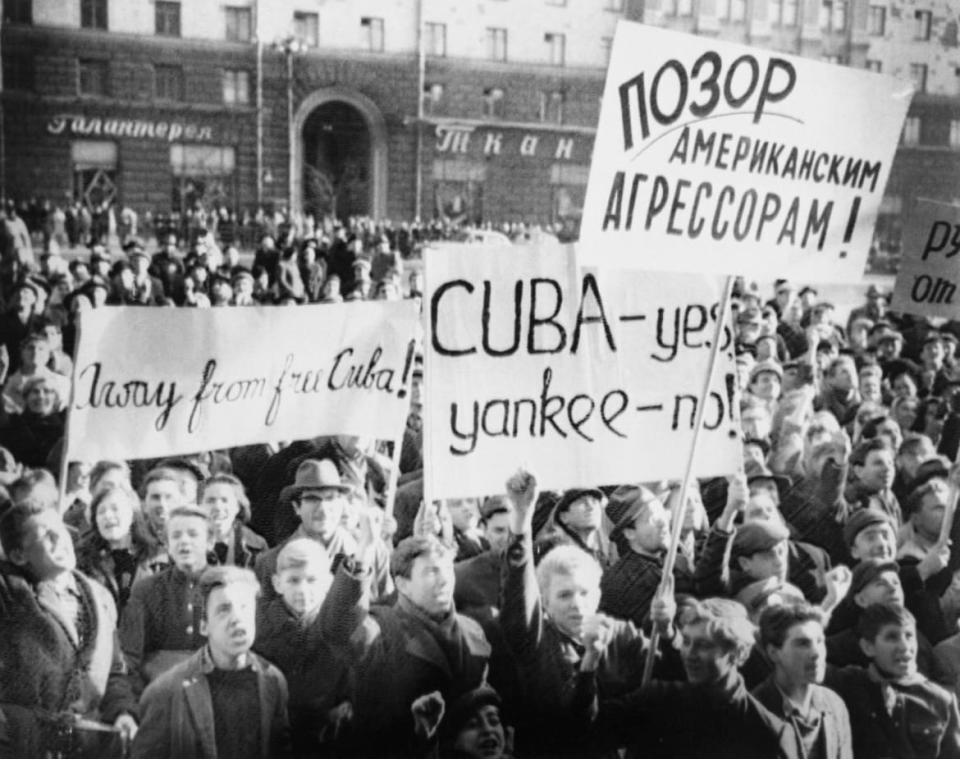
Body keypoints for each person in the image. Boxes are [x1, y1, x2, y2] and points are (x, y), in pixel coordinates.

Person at [500, 469, 662, 758]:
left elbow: (666, 668)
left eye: (584, 593)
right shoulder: (534, 641)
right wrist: (521, 519)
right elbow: (516, 586)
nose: (576, 604)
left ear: (598, 596)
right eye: (564, 595)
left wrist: (668, 626)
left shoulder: (615, 635)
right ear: (545, 603)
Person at [322, 533, 490, 757]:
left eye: (447, 569)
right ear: (403, 584)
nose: (444, 580)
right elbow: (340, 628)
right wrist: (362, 556)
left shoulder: (473, 631)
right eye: (431, 571)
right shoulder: (383, 629)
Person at [0, 503, 138, 757]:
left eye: (59, 529)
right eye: (44, 534)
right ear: (19, 556)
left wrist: (122, 712)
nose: (59, 539)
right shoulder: (9, 595)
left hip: (86, 746)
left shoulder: (101, 596)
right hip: (22, 745)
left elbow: (116, 672)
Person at [589, 596, 796, 759]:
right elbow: (587, 732)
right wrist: (589, 661)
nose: (689, 654)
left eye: (704, 645)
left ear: (738, 654)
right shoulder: (658, 699)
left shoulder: (767, 732)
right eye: (686, 642)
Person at [131, 565, 291, 759]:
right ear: (204, 626)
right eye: (224, 610)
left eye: (245, 607)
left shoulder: (272, 681)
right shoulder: (166, 691)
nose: (237, 619)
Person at [253, 537, 353, 756]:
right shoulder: (259, 625)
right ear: (277, 583)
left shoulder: (336, 626)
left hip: (325, 735)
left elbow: (349, 679)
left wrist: (343, 706)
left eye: (311, 580)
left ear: (328, 583)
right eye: (293, 580)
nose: (302, 589)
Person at [827, 603, 960, 759]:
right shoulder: (848, 683)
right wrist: (829, 602)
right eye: (891, 637)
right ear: (868, 647)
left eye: (909, 635)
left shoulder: (939, 699)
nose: (904, 646)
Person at [119, 506, 212, 691]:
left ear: (210, 542)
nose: (184, 541)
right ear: (168, 545)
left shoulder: (225, 587)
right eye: (176, 536)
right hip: (159, 691)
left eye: (193, 534)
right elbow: (130, 657)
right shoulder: (146, 589)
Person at [754, 603, 853, 759]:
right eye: (802, 643)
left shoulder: (834, 703)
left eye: (820, 641)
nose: (816, 653)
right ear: (773, 653)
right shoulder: (756, 712)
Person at [76, 483, 167, 614]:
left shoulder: (156, 557)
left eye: (115, 509)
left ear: (132, 514)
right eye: (101, 511)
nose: (107, 515)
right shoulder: (85, 561)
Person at [199, 473, 268, 568]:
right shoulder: (183, 543)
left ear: (238, 507)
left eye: (225, 500)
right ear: (199, 506)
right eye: (211, 500)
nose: (218, 507)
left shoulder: (256, 546)